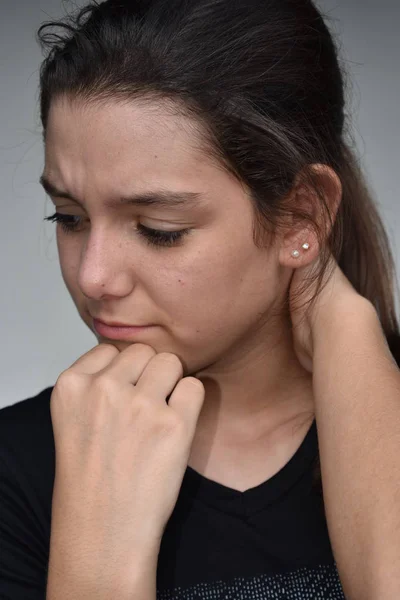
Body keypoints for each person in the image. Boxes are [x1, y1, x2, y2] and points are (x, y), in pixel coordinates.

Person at [1, 0, 400, 598]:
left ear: (302, 214)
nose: (93, 276)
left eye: (159, 228)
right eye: (69, 216)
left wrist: (347, 328)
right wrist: (96, 554)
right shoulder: (17, 472)